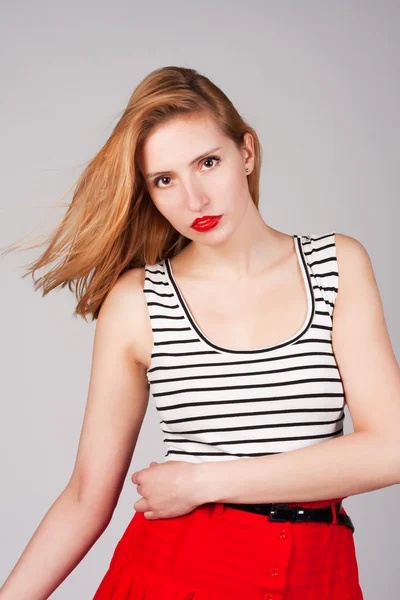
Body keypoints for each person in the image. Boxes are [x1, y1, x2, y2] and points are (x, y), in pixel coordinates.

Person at [1, 65, 399, 600]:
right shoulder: (138, 302)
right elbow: (83, 498)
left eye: (207, 163)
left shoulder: (336, 266)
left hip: (318, 575)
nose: (194, 199)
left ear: (247, 153)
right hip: (179, 574)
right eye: (164, 180)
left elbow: (391, 449)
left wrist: (204, 482)